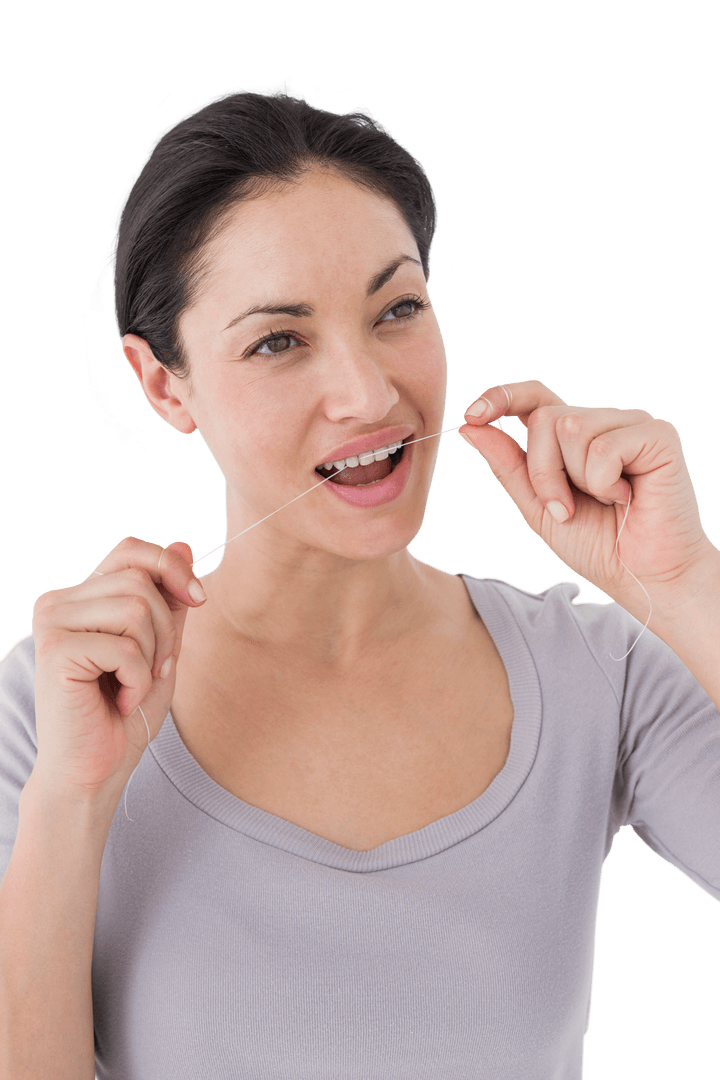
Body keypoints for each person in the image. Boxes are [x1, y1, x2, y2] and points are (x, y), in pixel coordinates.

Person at [1, 83, 718, 1080]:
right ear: (165, 384)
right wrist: (75, 798)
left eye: (398, 309)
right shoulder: (56, 704)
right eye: (279, 340)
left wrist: (687, 586)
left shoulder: (596, 672)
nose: (371, 392)